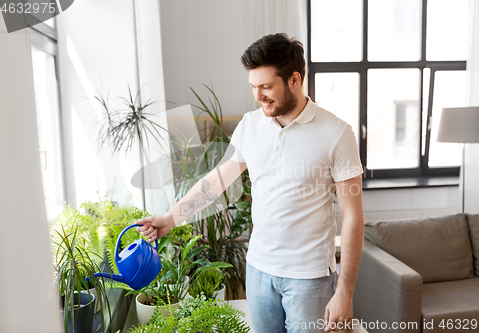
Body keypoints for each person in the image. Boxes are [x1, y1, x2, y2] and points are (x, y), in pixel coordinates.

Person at [136, 33, 364, 333]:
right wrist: (171, 217)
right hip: (258, 271)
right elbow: (217, 182)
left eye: (266, 87)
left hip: (310, 278)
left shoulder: (337, 133)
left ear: (294, 80)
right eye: (254, 87)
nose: (258, 96)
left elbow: (353, 216)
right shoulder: (250, 125)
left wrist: (345, 291)